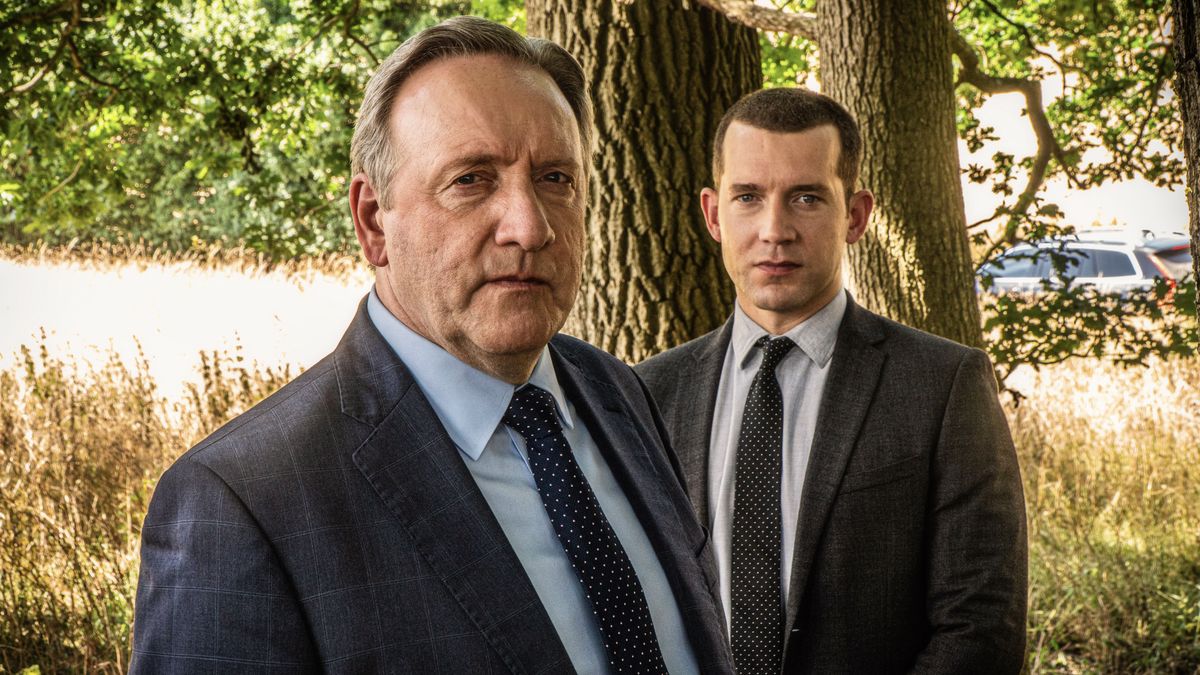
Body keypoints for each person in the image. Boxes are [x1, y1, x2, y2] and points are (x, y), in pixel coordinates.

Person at [130, 17, 732, 674]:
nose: (529, 227)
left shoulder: (618, 391)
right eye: (472, 179)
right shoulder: (243, 503)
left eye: (556, 177)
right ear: (372, 222)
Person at [635, 87, 1028, 675]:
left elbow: (981, 627)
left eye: (806, 198)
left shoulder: (942, 386)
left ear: (856, 215)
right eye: (749, 197)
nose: (775, 229)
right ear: (714, 214)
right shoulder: (647, 392)